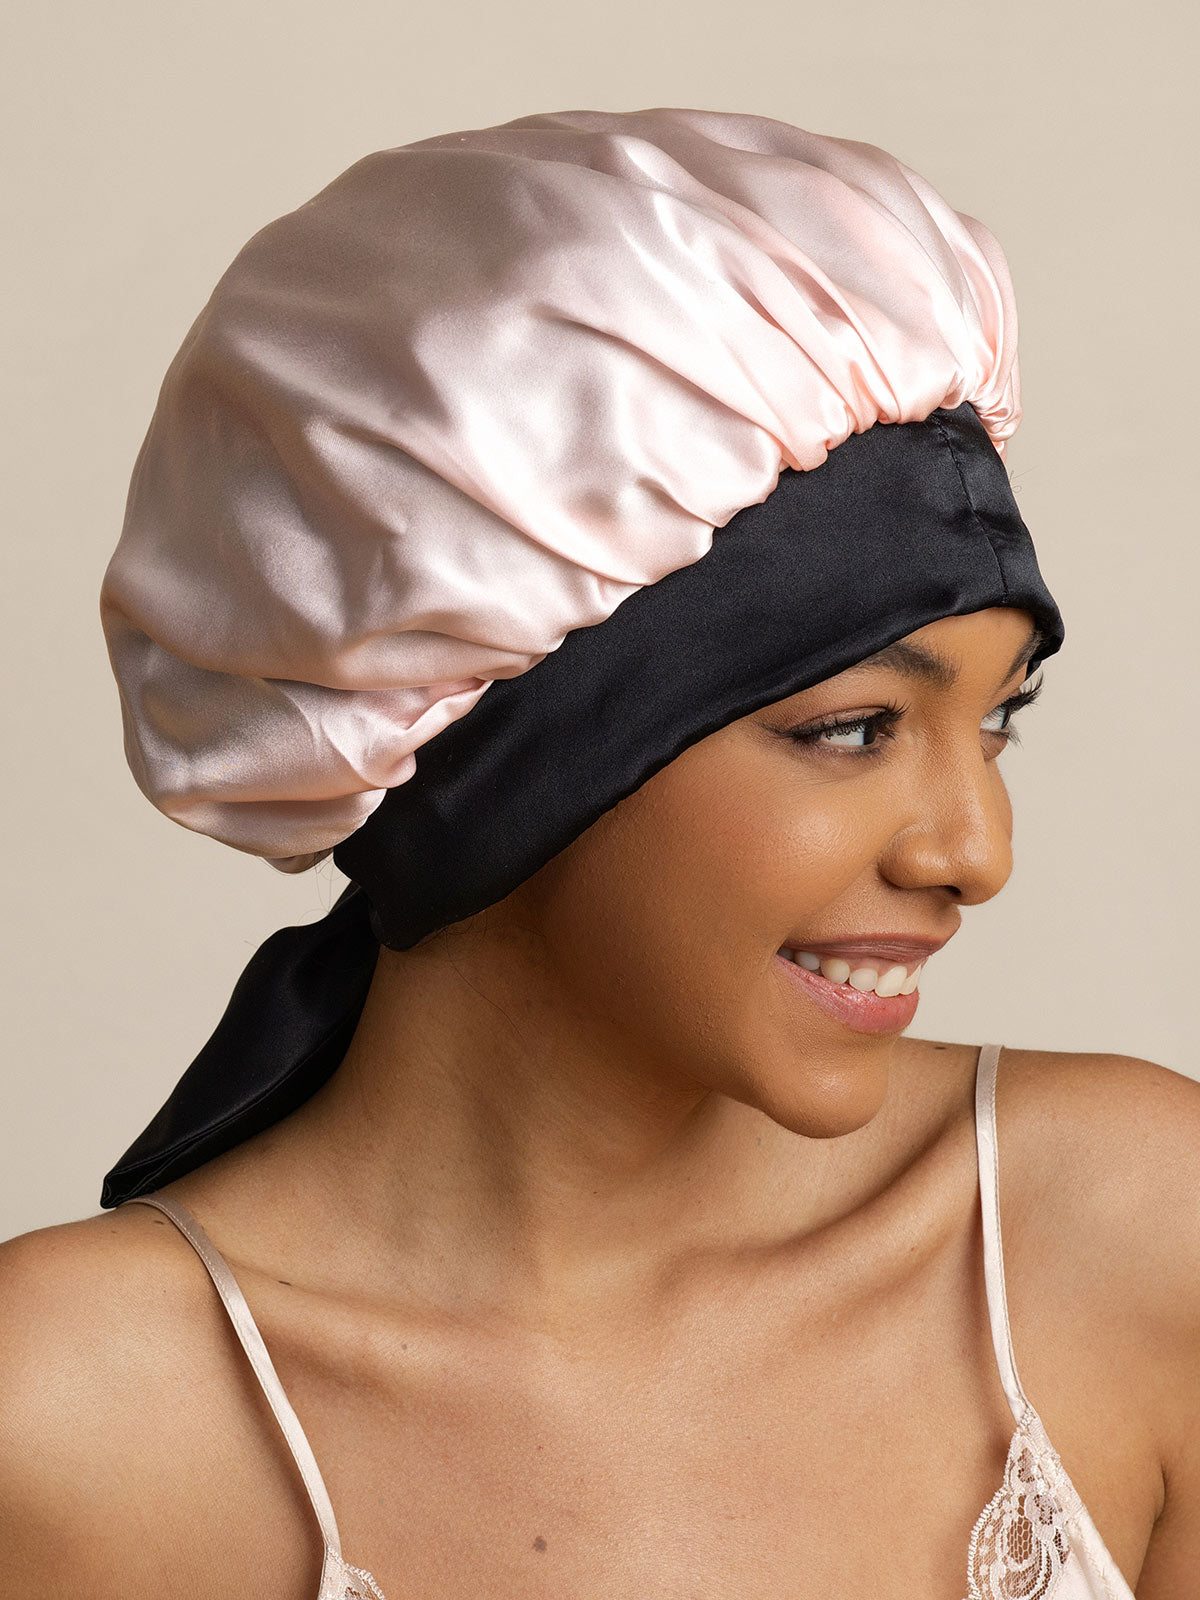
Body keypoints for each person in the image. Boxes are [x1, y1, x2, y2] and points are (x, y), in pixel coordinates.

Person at [1, 107, 1196, 1599]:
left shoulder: (1126, 1233)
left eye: (999, 719)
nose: (976, 851)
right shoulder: (73, 1420)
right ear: (522, 767)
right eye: (853, 729)